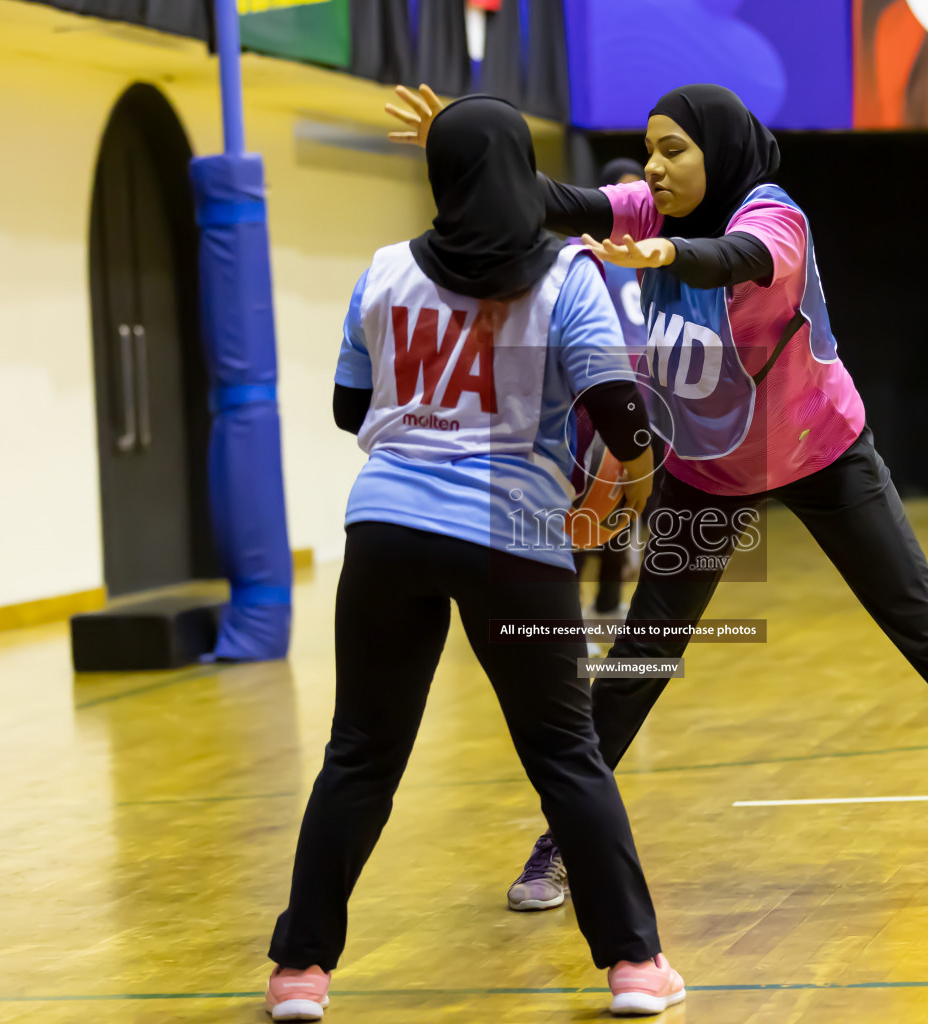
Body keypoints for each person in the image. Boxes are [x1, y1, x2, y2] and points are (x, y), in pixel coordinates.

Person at [387, 83, 928, 919]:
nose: (654, 168)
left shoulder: (776, 214)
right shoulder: (645, 209)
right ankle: (563, 838)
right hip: (710, 474)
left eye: (674, 151)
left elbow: (741, 258)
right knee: (638, 662)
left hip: (823, 453)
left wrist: (666, 257)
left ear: (718, 152)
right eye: (649, 151)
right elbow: (553, 200)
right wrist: (466, 141)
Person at [265, 94, 686, 1021]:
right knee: (566, 756)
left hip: (384, 531)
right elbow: (621, 415)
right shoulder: (566, 274)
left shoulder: (382, 270)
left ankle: (299, 972)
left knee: (360, 756)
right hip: (512, 535)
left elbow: (349, 408)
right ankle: (633, 968)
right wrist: (625, 487)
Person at [575, 157, 651, 620]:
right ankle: (566, 611)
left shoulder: (657, 255)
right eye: (625, 195)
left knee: (625, 506)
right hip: (593, 400)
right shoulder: (583, 250)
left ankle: (607, 604)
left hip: (643, 400)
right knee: (583, 504)